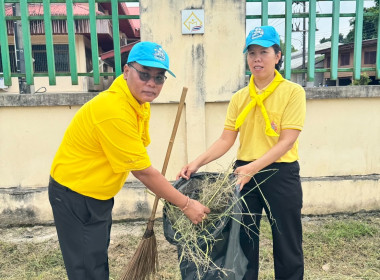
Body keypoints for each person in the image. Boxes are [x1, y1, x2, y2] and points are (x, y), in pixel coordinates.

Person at [48, 41, 210, 280]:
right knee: (86, 269)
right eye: (144, 74)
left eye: (159, 78)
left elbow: (136, 154)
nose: (151, 83)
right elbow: (142, 171)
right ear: (126, 71)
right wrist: (186, 204)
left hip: (97, 193)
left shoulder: (136, 102)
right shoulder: (113, 109)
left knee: (95, 259)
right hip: (76, 194)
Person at [177, 26, 306, 280]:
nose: (257, 59)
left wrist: (253, 168)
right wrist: (197, 162)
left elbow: (287, 142)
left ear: (278, 56)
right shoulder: (240, 97)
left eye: (264, 52)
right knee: (244, 241)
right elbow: (226, 139)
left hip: (281, 173)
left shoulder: (292, 92)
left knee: (287, 241)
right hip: (243, 175)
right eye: (251, 53)